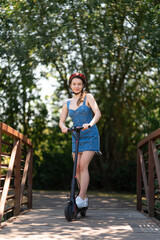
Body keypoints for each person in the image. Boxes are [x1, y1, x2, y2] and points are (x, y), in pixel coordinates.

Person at [59, 72, 101, 208]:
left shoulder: (88, 97)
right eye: (74, 84)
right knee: (76, 168)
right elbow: (61, 121)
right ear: (70, 86)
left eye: (79, 84)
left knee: (83, 165)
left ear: (83, 85)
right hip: (76, 137)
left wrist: (90, 123)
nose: (76, 86)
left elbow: (98, 113)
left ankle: (81, 197)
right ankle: (84, 198)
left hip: (90, 135)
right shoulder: (67, 103)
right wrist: (64, 127)